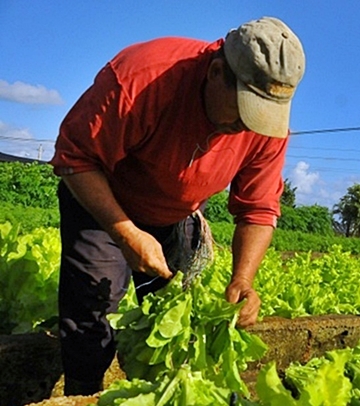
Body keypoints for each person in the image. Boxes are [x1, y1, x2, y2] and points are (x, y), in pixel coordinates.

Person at [49, 17, 305, 395]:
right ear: (216, 72)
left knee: (176, 322)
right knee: (92, 316)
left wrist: (243, 280)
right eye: (244, 111)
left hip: (174, 213)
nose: (248, 127)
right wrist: (126, 233)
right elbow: (75, 159)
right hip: (100, 199)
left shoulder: (265, 129)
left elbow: (258, 208)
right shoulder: (144, 76)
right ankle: (82, 393)